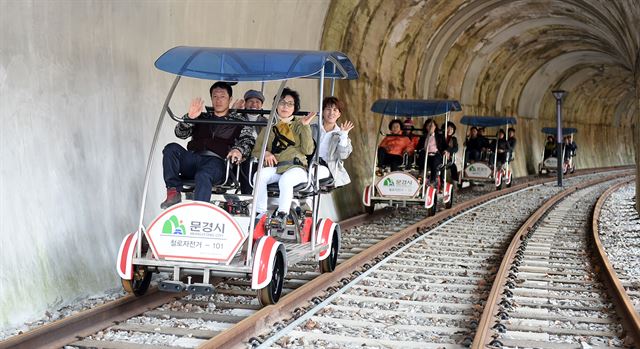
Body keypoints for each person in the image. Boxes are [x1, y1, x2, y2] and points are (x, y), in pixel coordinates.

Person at [160, 82, 255, 209]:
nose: (218, 100)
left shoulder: (239, 121)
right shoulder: (201, 116)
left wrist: (238, 149)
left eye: (222, 97)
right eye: (215, 97)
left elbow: (248, 140)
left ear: (230, 99)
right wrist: (189, 119)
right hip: (194, 157)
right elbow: (180, 133)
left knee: (203, 175)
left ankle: (200, 211)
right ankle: (173, 192)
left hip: (217, 162)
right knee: (171, 148)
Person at [252, 88, 316, 228]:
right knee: (259, 175)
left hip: (296, 168)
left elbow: (308, 150)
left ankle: (282, 215)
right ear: (275, 105)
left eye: (290, 103)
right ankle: (261, 213)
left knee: (286, 180)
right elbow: (256, 150)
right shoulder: (269, 126)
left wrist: (305, 127)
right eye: (281, 103)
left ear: (295, 108)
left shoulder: (300, 124)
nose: (285, 106)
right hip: (277, 168)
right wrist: (266, 154)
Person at [311, 96, 354, 187]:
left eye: (335, 110)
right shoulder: (313, 128)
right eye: (328, 109)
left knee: (313, 173)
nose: (331, 113)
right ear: (323, 112)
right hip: (309, 163)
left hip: (327, 167)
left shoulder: (341, 135)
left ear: (339, 114)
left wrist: (344, 135)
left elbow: (343, 155)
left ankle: (309, 197)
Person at [233, 89, 267, 194]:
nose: (254, 104)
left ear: (261, 105)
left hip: (260, 158)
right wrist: (233, 111)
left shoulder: (266, 122)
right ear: (245, 103)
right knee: (247, 165)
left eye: (257, 102)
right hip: (240, 158)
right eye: (251, 101)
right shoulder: (238, 119)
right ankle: (246, 196)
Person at [416, 119, 446, 185]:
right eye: (428, 126)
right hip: (425, 154)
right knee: (422, 153)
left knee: (434, 161)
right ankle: (422, 172)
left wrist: (446, 151)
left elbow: (445, 146)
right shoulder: (423, 137)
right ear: (426, 127)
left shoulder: (440, 137)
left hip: (435, 154)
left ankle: (433, 180)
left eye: (432, 125)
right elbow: (418, 147)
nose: (430, 127)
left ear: (435, 127)